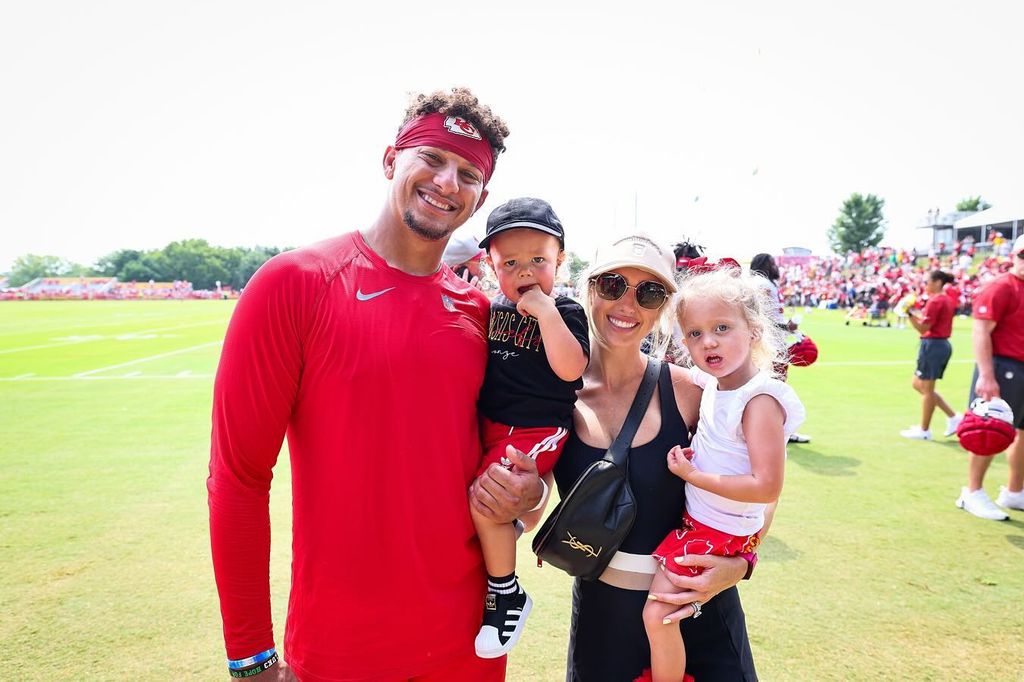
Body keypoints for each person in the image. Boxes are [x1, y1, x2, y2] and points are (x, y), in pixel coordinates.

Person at [208, 88, 544, 681]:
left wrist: (528, 495)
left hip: (469, 645)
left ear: (481, 197)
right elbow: (237, 478)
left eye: (468, 173)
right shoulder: (295, 284)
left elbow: (513, 465)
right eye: (432, 158)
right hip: (343, 645)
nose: (447, 182)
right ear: (391, 159)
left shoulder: (483, 313)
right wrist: (251, 657)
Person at [538, 234, 759, 681]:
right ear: (588, 289)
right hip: (603, 627)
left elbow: (761, 487)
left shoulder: (691, 393)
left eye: (650, 292)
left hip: (695, 611)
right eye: (613, 285)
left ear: (663, 309)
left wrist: (740, 564)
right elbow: (533, 495)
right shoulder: (553, 395)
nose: (628, 304)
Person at [643, 267, 805, 682]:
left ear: (753, 330)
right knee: (663, 611)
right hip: (709, 524)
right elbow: (669, 370)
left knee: (659, 613)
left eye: (721, 327)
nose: (708, 341)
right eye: (694, 334)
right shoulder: (719, 383)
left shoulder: (759, 400)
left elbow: (766, 486)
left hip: (719, 531)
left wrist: (693, 476)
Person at [470, 197, 590, 658]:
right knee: (481, 503)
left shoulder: (565, 309)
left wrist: (546, 313)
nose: (525, 272)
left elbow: (570, 368)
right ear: (491, 265)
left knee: (487, 500)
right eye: (511, 263)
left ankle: (506, 594)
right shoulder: (493, 306)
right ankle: (510, 532)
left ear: (560, 259)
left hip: (537, 426)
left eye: (538, 260)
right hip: (493, 423)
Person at [956, 235, 1024, 520]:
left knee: (1023, 432)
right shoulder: (1001, 286)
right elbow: (981, 330)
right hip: (1001, 365)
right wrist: (986, 375)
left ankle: (1014, 491)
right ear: (1015, 256)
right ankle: (972, 492)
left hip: (1019, 365)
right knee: (988, 430)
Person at [749, 253, 812, 444]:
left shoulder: (762, 283)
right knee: (776, 386)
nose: (776, 266)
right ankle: (780, 431)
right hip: (772, 343)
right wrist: (788, 327)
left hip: (771, 341)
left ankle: (772, 429)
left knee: (771, 385)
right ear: (765, 265)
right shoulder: (763, 284)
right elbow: (765, 318)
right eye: (772, 263)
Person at [900, 270, 961, 440]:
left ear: (937, 282)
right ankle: (953, 417)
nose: (925, 285)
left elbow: (923, 328)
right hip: (937, 344)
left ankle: (924, 430)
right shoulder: (945, 299)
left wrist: (908, 314)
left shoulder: (936, 301)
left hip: (934, 345)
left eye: (927, 282)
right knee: (918, 384)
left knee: (927, 389)